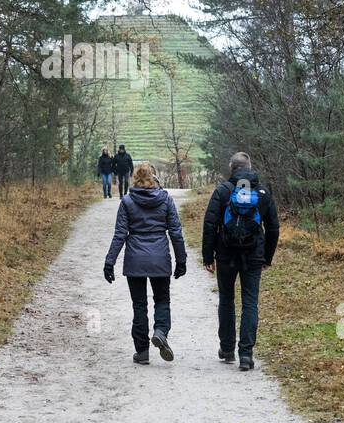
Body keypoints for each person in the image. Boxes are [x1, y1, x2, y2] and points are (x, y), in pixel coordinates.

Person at [201, 152, 279, 372]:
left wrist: (208, 256)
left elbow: (209, 224)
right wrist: (267, 257)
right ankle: (246, 354)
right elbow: (273, 227)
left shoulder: (223, 190)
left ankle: (227, 349)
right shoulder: (262, 193)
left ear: (231, 168)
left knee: (226, 299)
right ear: (250, 167)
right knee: (250, 302)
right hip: (253, 256)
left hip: (225, 255)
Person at [103, 163, 187, 364]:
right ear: (153, 178)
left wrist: (109, 262)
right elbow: (175, 232)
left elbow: (120, 234)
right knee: (162, 300)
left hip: (135, 260)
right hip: (159, 258)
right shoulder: (165, 199)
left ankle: (142, 352)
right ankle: (160, 331)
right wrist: (181, 260)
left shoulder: (127, 201)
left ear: (134, 179)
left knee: (139, 305)